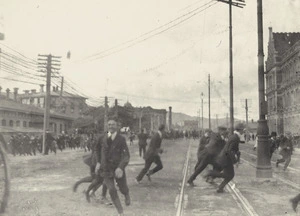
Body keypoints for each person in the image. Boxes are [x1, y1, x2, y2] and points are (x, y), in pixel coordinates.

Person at [95, 118, 130, 216]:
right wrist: (98, 162)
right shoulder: (102, 137)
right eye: (109, 124)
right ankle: (120, 212)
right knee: (111, 189)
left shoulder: (121, 139)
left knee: (123, 187)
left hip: (117, 168)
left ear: (117, 126)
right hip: (105, 168)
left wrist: (121, 167)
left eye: (113, 124)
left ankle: (126, 194)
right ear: (107, 126)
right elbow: (96, 150)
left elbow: (126, 155)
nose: (111, 126)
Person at [205, 123, 245, 193]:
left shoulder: (235, 137)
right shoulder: (235, 138)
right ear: (240, 130)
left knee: (229, 175)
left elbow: (235, 149)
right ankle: (212, 173)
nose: (243, 132)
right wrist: (235, 161)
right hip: (226, 159)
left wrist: (237, 157)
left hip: (225, 158)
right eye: (242, 130)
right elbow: (229, 150)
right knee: (230, 175)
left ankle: (220, 188)